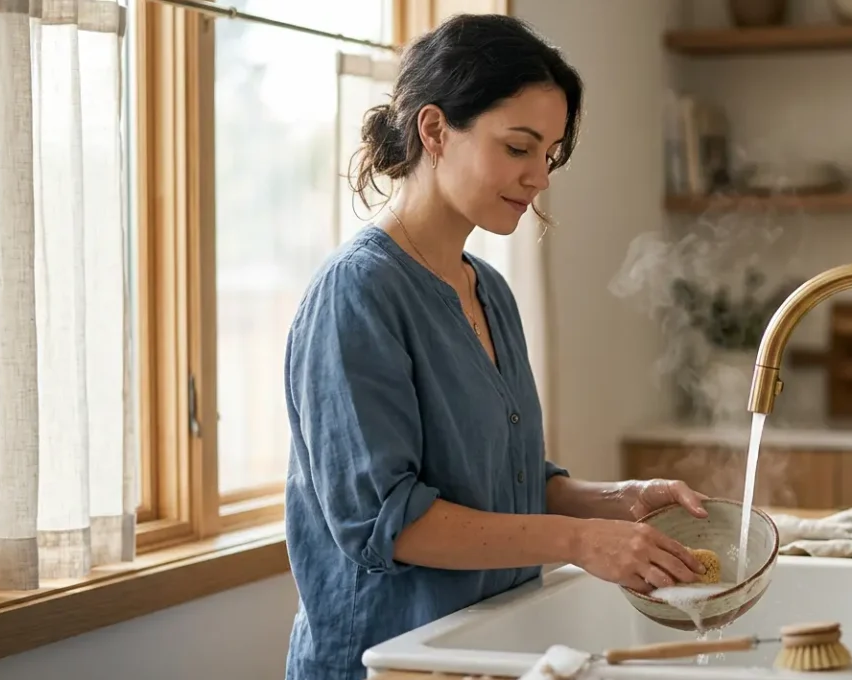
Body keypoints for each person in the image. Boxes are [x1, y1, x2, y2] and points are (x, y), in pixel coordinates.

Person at [281, 13, 710, 680]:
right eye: (518, 147)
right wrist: (579, 541)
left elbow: (508, 482)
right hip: (389, 663)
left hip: (488, 651)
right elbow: (387, 523)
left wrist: (621, 499)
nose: (539, 176)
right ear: (433, 131)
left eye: (550, 154)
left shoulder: (490, 291)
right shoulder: (356, 293)